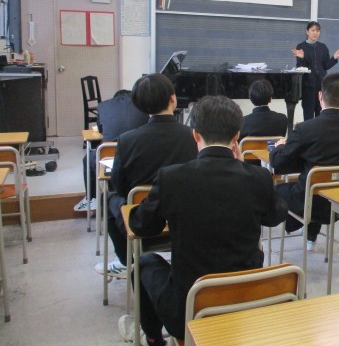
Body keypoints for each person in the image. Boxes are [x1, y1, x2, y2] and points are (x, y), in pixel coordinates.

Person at [120, 95, 288, 345]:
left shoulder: (172, 178)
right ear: (237, 136)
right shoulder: (258, 177)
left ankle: (153, 339)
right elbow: (276, 216)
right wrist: (246, 168)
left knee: (144, 263)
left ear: (195, 135)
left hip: (190, 308)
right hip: (247, 299)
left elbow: (142, 225)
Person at [97, 74, 198, 280]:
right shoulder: (193, 136)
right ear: (173, 99)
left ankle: (126, 261)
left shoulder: (127, 140)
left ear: (139, 105)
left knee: (109, 200)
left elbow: (120, 186)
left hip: (144, 218)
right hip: (186, 215)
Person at [270, 73, 339, 250]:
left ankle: (294, 225)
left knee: (277, 189)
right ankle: (310, 234)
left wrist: (279, 147)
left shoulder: (305, 129)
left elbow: (278, 163)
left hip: (310, 202)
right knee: (316, 182)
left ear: (319, 96)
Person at [75, 89, 148, 212]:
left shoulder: (104, 107)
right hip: (136, 154)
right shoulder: (142, 107)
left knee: (87, 159)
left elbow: (100, 129)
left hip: (109, 155)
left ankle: (92, 198)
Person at [292, 21, 339, 121]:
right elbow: (301, 68)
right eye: (313, 30)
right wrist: (302, 58)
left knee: (321, 114)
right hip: (308, 86)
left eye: (317, 31)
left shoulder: (323, 47)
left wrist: (334, 57)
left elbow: (325, 66)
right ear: (307, 31)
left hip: (322, 86)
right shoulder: (301, 46)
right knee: (308, 115)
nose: (315, 33)